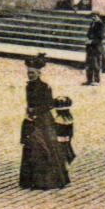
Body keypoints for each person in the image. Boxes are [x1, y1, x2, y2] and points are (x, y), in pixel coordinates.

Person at [20, 54, 73, 190]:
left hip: (43, 120)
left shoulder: (44, 87)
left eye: (32, 73)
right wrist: (29, 113)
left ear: (38, 73)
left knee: (44, 147)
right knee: (31, 145)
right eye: (28, 73)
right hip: (31, 118)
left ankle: (47, 181)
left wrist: (36, 113)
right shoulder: (28, 86)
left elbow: (49, 105)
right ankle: (31, 180)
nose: (30, 75)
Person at [83, 11, 105, 85]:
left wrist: (91, 41)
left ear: (98, 17)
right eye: (92, 17)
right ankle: (89, 80)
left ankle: (96, 80)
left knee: (96, 65)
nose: (93, 18)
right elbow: (88, 34)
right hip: (90, 48)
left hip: (96, 47)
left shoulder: (100, 25)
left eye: (95, 16)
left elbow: (100, 38)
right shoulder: (92, 24)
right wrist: (87, 40)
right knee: (89, 65)